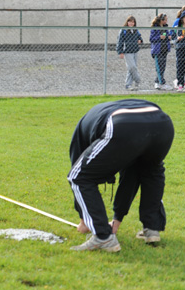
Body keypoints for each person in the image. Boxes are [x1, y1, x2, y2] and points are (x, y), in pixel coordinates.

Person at [67, 99, 174, 252]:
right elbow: (130, 176)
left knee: (77, 177)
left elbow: (80, 171)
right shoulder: (97, 118)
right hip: (162, 124)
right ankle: (152, 229)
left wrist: (85, 220)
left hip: (123, 124)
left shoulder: (81, 136)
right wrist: (116, 221)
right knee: (151, 171)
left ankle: (103, 238)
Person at [116, 15, 143, 91]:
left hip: (135, 51)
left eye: (133, 22)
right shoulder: (123, 30)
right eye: (130, 22)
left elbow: (140, 37)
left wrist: (140, 40)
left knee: (130, 69)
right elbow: (120, 41)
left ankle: (128, 85)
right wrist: (120, 51)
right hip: (127, 51)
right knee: (132, 67)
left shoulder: (135, 30)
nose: (131, 23)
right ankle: (138, 80)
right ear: (127, 22)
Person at [150, 13, 173, 90]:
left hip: (164, 50)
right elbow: (151, 39)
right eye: (165, 19)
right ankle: (162, 83)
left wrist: (169, 37)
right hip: (157, 50)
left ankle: (157, 82)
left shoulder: (165, 27)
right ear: (161, 20)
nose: (166, 21)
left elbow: (168, 36)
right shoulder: (155, 28)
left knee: (162, 67)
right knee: (159, 67)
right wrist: (159, 37)